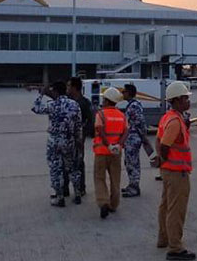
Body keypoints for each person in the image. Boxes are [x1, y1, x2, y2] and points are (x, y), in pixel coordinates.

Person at [153, 81, 196, 261]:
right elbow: (164, 146)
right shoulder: (175, 121)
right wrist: (166, 160)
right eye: (186, 98)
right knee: (176, 209)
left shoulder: (168, 117)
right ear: (177, 100)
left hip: (169, 170)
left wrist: (163, 163)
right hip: (177, 171)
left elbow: (158, 141)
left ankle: (164, 238)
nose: (188, 101)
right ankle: (175, 247)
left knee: (166, 206)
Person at [30, 81, 82, 207]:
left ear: (56, 91)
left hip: (54, 141)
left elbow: (36, 108)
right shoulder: (74, 105)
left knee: (55, 169)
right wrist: (78, 141)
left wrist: (41, 94)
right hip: (69, 140)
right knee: (73, 168)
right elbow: (78, 126)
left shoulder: (52, 105)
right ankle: (77, 194)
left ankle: (60, 197)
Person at [92, 87, 126, 220]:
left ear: (107, 100)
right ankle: (114, 204)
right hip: (116, 153)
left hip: (102, 151)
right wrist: (118, 145)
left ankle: (103, 202)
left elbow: (100, 130)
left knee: (99, 178)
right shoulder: (122, 115)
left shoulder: (100, 114)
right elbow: (126, 132)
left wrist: (109, 145)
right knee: (115, 179)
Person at [120, 83, 153, 198]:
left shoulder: (134, 106)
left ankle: (134, 187)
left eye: (124, 91)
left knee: (133, 163)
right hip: (131, 138)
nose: (122, 93)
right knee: (129, 162)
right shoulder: (132, 105)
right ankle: (131, 184)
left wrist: (142, 136)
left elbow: (140, 121)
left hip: (133, 138)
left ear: (129, 93)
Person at [65, 77, 94, 203]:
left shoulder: (84, 103)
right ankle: (64, 188)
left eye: (69, 86)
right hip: (67, 139)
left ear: (75, 87)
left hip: (78, 139)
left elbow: (90, 120)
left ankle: (81, 188)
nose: (67, 89)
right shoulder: (68, 101)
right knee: (64, 164)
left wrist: (83, 135)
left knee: (78, 164)